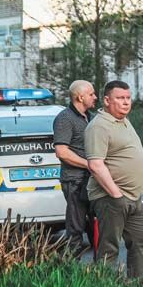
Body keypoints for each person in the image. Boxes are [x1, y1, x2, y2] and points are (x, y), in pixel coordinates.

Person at [85, 80, 143, 277]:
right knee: (109, 248)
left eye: (128, 98)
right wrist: (116, 195)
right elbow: (95, 164)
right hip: (110, 198)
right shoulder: (98, 126)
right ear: (106, 100)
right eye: (120, 98)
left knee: (141, 241)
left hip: (132, 198)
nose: (126, 103)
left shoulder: (123, 121)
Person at [52, 80, 97, 255]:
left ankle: (101, 270)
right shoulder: (65, 119)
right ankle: (72, 269)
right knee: (76, 227)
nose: (95, 97)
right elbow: (62, 152)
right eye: (91, 94)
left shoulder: (91, 117)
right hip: (75, 181)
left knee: (97, 225)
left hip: (92, 179)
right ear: (80, 97)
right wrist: (89, 164)